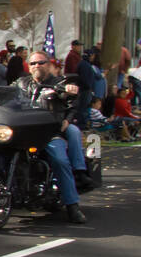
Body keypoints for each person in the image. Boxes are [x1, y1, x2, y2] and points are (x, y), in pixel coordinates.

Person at [17, 51, 91, 223]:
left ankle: (73, 206)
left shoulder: (58, 83)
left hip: (49, 133)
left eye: (41, 62)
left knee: (60, 160)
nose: (37, 66)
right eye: (33, 63)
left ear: (49, 64)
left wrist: (70, 92)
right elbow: (6, 95)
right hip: (23, 133)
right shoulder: (21, 83)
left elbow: (70, 99)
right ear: (28, 66)